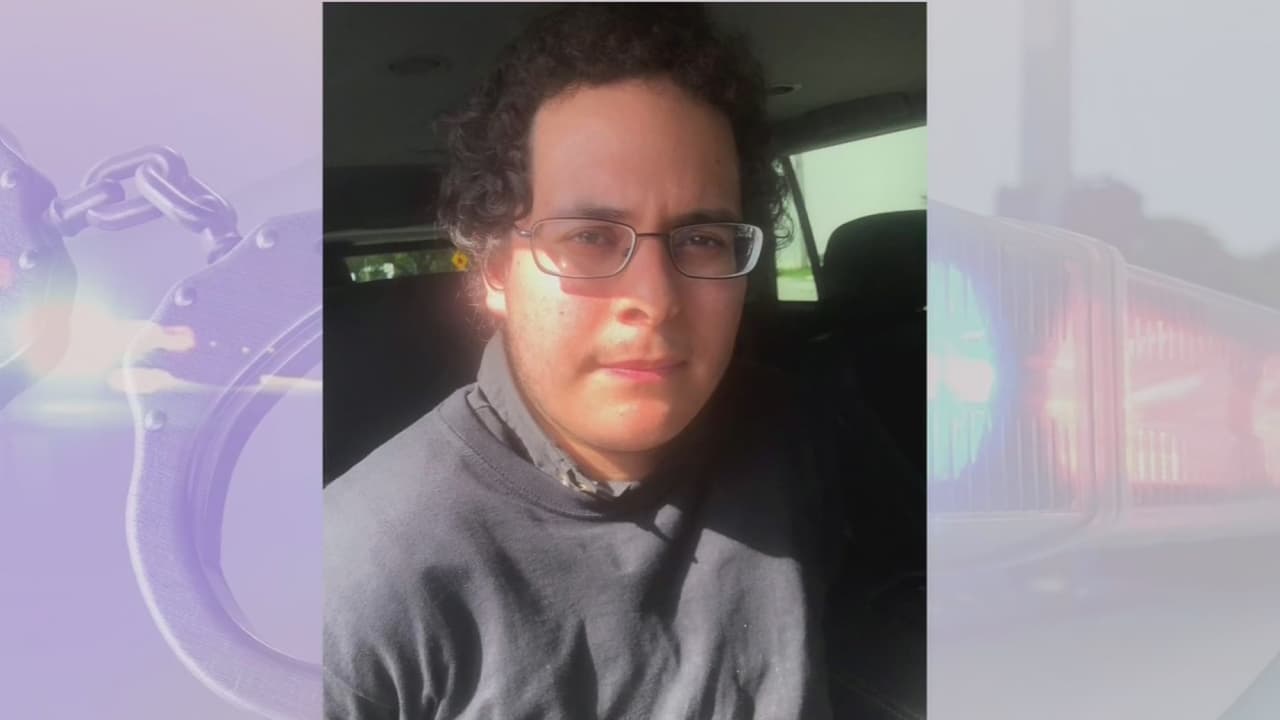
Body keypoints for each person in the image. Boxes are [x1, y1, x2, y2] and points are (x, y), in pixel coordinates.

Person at [325, 5, 919, 718]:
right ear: (495, 270)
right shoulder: (357, 579)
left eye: (701, 240)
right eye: (589, 237)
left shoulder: (803, 432)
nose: (656, 301)